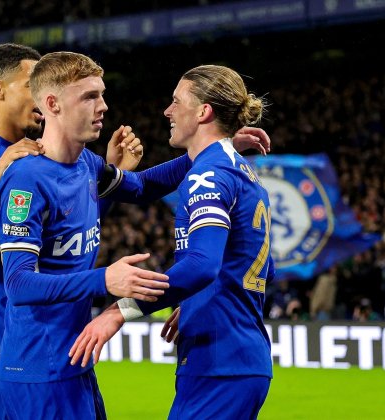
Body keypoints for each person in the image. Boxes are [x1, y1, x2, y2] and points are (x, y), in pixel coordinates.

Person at [0, 43, 147, 419]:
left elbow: (61, 231)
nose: (41, 97)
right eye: (30, 84)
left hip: (53, 336)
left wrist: (104, 180)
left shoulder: (48, 152)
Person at [70, 64, 275, 420]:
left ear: (203, 112)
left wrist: (119, 311)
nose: (167, 110)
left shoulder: (210, 174)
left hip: (220, 365)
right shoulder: (234, 169)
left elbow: (201, 266)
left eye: (176, 101)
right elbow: (261, 269)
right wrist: (199, 300)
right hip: (234, 361)